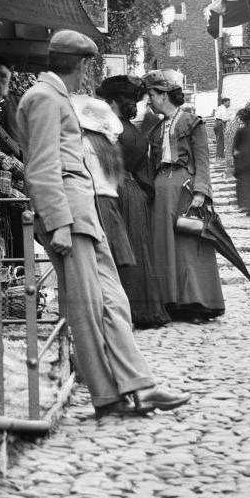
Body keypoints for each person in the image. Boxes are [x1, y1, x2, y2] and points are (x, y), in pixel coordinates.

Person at [17, 31, 189, 418]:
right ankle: (107, 395)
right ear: (81, 65)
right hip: (69, 214)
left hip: (83, 212)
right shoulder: (44, 98)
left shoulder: (51, 97)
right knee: (88, 308)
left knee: (112, 300)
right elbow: (42, 167)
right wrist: (58, 223)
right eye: (86, 66)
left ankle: (139, 386)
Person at [144, 69, 225, 322]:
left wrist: (201, 191)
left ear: (165, 95)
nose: (150, 101)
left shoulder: (192, 122)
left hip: (184, 187)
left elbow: (202, 158)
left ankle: (197, 303)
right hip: (160, 189)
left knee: (189, 244)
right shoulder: (155, 128)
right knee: (164, 245)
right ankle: (172, 302)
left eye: (153, 95)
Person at [96, 74, 170, 328]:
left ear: (113, 102)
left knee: (120, 250)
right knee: (138, 251)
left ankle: (124, 310)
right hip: (136, 193)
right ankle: (144, 308)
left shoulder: (110, 129)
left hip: (118, 191)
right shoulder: (134, 132)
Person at [69, 94, 136, 273]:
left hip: (95, 204)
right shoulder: (109, 146)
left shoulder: (84, 145)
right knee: (110, 264)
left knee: (96, 264)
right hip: (111, 205)